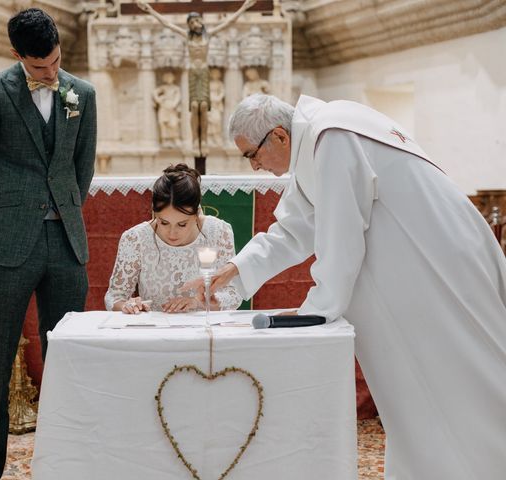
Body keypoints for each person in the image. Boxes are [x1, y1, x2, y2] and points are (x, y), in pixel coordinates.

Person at [185, 93, 506, 478]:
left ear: (280, 137)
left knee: (457, 372)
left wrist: (317, 310)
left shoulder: (332, 136)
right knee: (421, 388)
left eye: (252, 154)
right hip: (423, 264)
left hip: (435, 265)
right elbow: (296, 227)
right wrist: (235, 268)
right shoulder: (320, 138)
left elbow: (341, 235)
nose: (254, 166)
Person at [0, 8, 96, 479]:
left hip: (65, 242)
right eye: (40, 67)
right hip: (7, 244)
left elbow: (82, 168)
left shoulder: (83, 94)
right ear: (17, 56)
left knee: (70, 355)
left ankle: (68, 463)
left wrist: (63, 212)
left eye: (56, 61)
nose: (51, 73)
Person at [105, 164, 242, 314]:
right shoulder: (134, 239)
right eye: (163, 222)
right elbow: (114, 296)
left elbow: (233, 295)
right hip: (154, 330)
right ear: (154, 211)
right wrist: (127, 305)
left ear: (196, 213)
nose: (172, 233)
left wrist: (197, 302)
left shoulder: (218, 232)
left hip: (203, 328)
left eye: (182, 224)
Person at [136, 0, 256, 156]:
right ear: (189, 25)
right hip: (193, 73)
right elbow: (167, 24)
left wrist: (244, 7)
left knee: (204, 107)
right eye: (192, 22)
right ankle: (194, 140)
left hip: (204, 72)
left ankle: (204, 140)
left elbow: (228, 22)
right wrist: (150, 10)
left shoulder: (208, 35)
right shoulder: (187, 36)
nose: (195, 23)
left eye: (197, 20)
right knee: (194, 106)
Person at [153, 70, 181, 147]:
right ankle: (165, 140)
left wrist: (174, 104)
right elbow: (154, 93)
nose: (169, 79)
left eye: (170, 78)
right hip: (164, 106)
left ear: (173, 78)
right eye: (167, 78)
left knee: (174, 124)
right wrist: (159, 100)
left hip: (172, 107)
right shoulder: (163, 87)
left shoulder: (176, 88)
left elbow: (178, 97)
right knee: (163, 123)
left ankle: (175, 139)